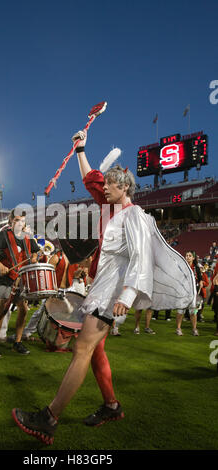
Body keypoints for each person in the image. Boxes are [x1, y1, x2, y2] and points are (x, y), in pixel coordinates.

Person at [12, 128, 196, 445]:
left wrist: (126, 296)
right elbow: (91, 180)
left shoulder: (135, 215)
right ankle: (111, 406)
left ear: (123, 187)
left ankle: (49, 418)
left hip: (113, 293)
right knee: (95, 350)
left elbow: (139, 259)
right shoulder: (109, 209)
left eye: (110, 185)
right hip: (102, 286)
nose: (103, 189)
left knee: (81, 348)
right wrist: (81, 150)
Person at [0, 209, 40, 358]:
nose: (19, 223)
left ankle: (17, 342)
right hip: (5, 278)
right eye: (16, 220)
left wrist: (34, 257)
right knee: (3, 310)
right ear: (11, 221)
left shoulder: (28, 237)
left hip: (21, 279)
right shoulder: (2, 235)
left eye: (22, 220)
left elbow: (36, 251)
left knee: (23, 309)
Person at [175, 251, 202, 336]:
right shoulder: (181, 266)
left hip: (193, 293)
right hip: (182, 292)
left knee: (193, 312)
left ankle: (194, 329)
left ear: (193, 258)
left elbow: (200, 279)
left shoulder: (196, 268)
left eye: (190, 256)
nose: (188, 257)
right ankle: (178, 328)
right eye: (186, 255)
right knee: (180, 311)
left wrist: (201, 282)